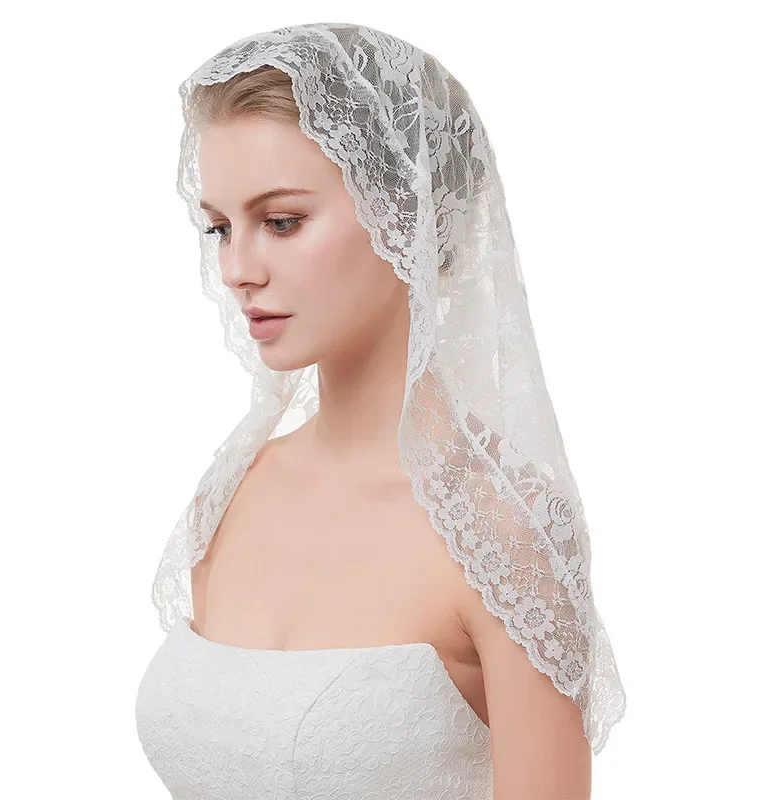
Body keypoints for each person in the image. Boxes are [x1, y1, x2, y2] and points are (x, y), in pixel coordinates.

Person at [135, 22, 627, 799]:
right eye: (221, 227)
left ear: (408, 216)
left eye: (282, 221)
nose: (236, 268)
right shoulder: (230, 496)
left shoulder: (501, 529)